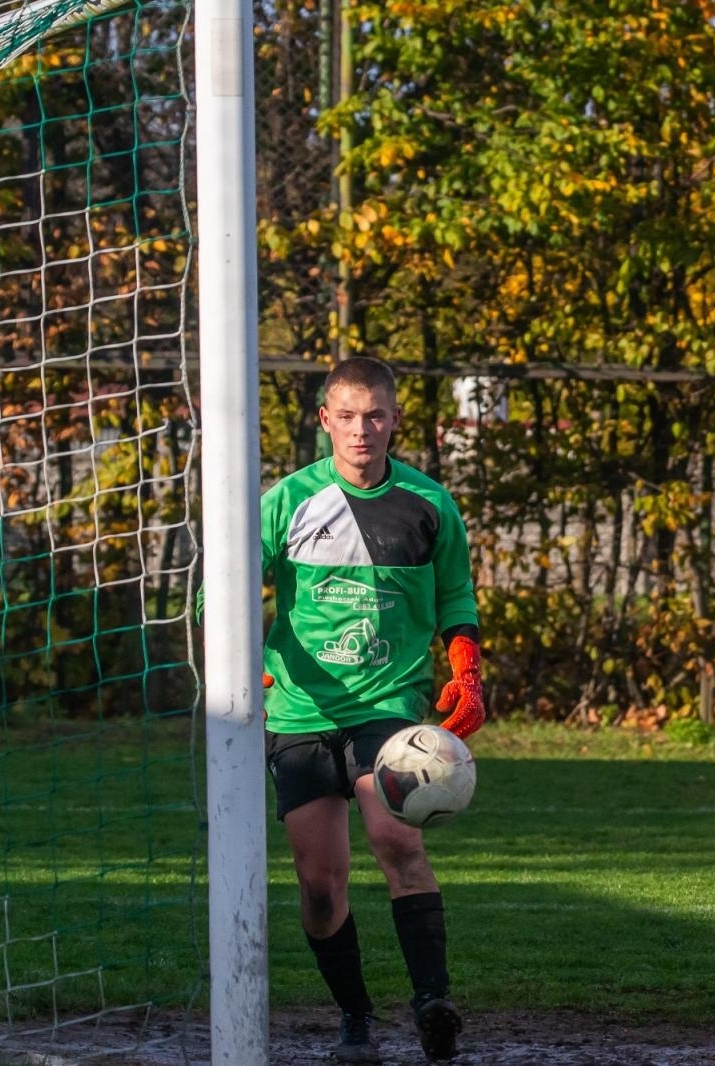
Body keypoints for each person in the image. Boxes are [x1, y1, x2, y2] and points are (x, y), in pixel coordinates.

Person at [257, 356, 485, 1062]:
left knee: (398, 840)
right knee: (320, 887)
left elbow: (455, 598)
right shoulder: (284, 501)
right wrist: (241, 660)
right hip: (298, 711)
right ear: (325, 419)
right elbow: (224, 589)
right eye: (348, 417)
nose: (362, 430)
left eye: (376, 416)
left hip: (389, 704)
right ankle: (355, 1018)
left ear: (395, 420)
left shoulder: (430, 504)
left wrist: (467, 669)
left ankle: (432, 1004)